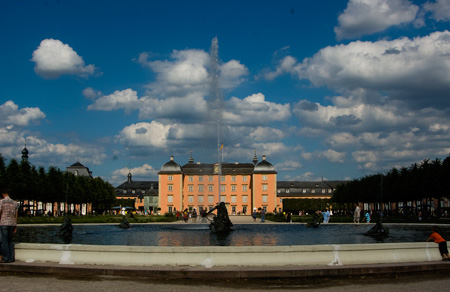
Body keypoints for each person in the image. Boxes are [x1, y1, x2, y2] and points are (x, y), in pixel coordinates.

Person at [0, 188, 19, 263]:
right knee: (10, 241)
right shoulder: (14, 203)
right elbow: (16, 215)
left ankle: (6, 258)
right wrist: (15, 225)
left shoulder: (1, 202)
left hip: (3, 223)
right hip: (12, 223)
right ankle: (11, 257)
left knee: (4, 242)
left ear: (3, 194)